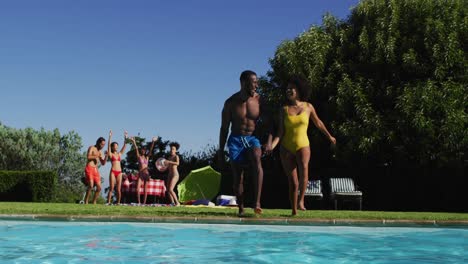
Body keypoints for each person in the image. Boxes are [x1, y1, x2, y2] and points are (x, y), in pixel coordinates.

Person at [266, 76, 336, 215]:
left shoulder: (308, 107)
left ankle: (301, 201)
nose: (288, 90)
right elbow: (280, 132)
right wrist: (272, 146)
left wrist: (329, 136)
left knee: (304, 171)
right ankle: (294, 210)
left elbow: (318, 123)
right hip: (286, 147)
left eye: (291, 88)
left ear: (298, 90)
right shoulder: (283, 110)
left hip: (303, 145)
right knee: (293, 181)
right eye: (287, 88)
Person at [218, 70, 265, 217]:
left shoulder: (259, 100)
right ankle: (241, 207)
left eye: (257, 82)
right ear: (243, 83)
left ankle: (257, 203)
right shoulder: (230, 102)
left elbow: (270, 124)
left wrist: (269, 142)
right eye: (254, 82)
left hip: (252, 138)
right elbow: (224, 127)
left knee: (257, 158)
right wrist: (220, 149)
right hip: (235, 140)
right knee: (238, 176)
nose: (256, 85)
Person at [131, 136, 158, 204]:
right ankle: (139, 202)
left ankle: (144, 203)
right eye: (142, 150)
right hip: (140, 173)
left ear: (145, 151)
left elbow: (151, 150)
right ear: (141, 151)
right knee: (137, 189)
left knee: (145, 190)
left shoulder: (147, 157)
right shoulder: (139, 157)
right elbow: (136, 149)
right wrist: (134, 142)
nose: (143, 151)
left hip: (146, 173)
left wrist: (153, 142)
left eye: (144, 150)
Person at [106, 130, 128, 204]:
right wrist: (110, 136)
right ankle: (108, 202)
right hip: (113, 171)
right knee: (111, 188)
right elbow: (108, 146)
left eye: (117, 146)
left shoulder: (119, 154)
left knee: (118, 189)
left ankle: (118, 203)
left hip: (119, 172)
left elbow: (125, 146)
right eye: (115, 146)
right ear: (112, 147)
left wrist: (125, 137)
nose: (116, 147)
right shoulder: (111, 154)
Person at [84, 136, 108, 204]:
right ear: (98, 142)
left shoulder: (100, 152)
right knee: (91, 185)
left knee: (99, 188)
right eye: (102, 144)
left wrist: (106, 156)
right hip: (89, 168)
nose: (103, 146)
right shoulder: (92, 147)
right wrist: (95, 156)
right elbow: (88, 156)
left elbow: (103, 163)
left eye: (104, 145)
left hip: (95, 170)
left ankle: (94, 202)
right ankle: (86, 201)